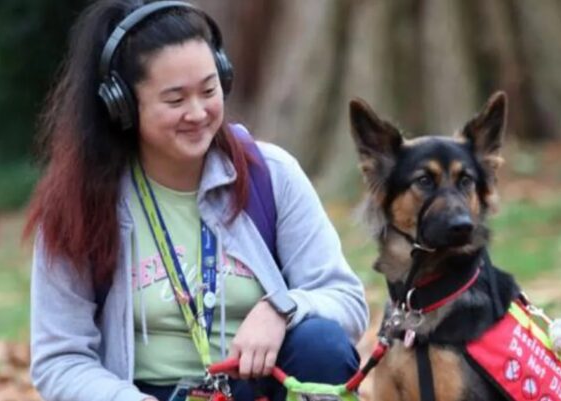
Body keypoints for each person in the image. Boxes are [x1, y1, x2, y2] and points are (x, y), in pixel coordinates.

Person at [25, 1, 369, 400]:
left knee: (320, 344)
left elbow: (346, 301)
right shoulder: (77, 204)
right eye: (175, 100)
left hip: (257, 388)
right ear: (121, 105)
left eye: (209, 90)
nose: (198, 112)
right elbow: (60, 360)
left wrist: (282, 309)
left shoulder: (272, 174)